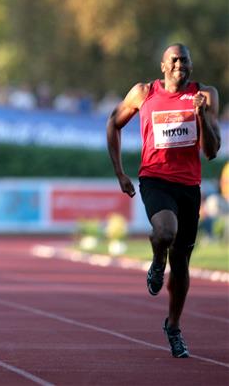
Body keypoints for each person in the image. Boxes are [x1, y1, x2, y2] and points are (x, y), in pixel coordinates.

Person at [106, 44, 221, 358]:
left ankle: (173, 325)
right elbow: (113, 124)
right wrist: (120, 173)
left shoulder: (206, 95)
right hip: (155, 179)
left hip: (189, 186)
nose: (180, 64)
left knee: (182, 265)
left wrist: (200, 116)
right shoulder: (143, 93)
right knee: (165, 232)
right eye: (175, 59)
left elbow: (212, 151)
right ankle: (157, 261)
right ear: (163, 66)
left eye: (185, 59)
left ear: (191, 64)